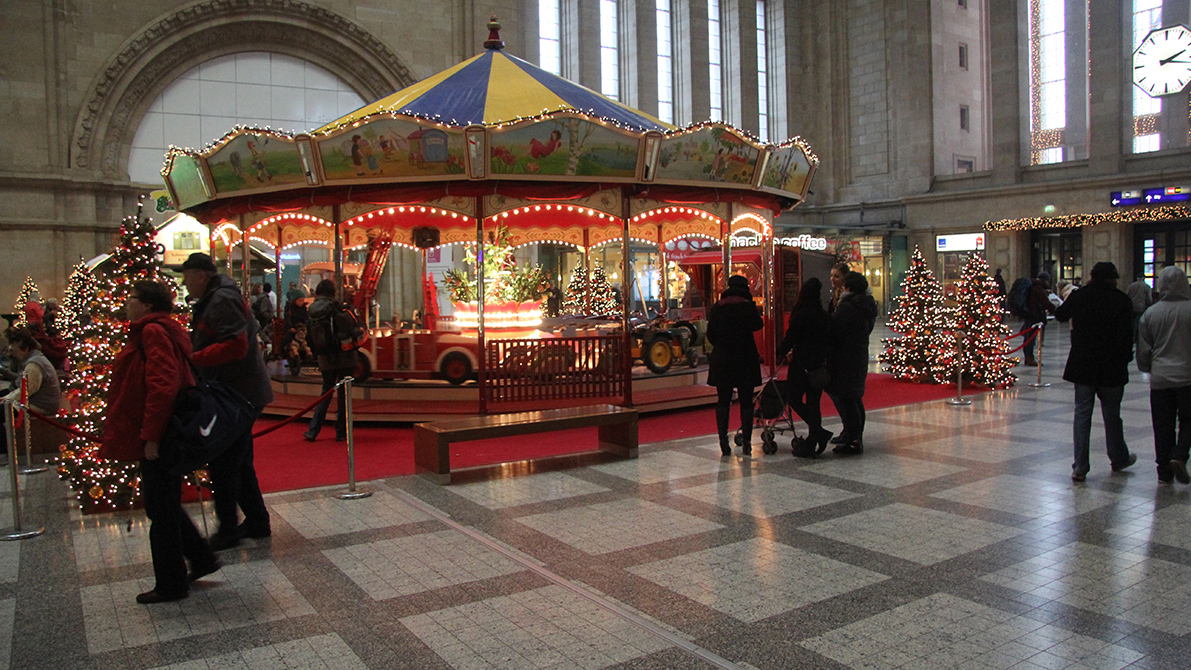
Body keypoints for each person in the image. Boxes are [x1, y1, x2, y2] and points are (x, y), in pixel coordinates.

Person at [98, 281, 220, 604]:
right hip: (165, 427)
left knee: (160, 509)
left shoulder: (152, 332)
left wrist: (151, 435)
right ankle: (201, 557)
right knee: (163, 502)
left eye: (132, 298)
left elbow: (163, 385)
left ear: (148, 305)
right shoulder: (163, 329)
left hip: (160, 430)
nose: (126, 302)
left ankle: (171, 583)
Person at [180, 253, 274, 550]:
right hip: (239, 390)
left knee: (225, 461)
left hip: (237, 393)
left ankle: (230, 528)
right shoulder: (218, 297)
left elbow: (235, 345)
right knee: (238, 460)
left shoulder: (221, 300)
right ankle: (256, 522)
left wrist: (194, 360)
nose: (184, 283)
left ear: (201, 275)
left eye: (187, 276)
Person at [1054, 261, 1136, 482]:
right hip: (1111, 367)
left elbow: (1060, 314)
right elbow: (1127, 336)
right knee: (1112, 416)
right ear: (1112, 278)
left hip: (1083, 365)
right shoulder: (1121, 300)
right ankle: (1118, 458)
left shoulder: (1080, 296)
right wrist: (1126, 359)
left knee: (1082, 415)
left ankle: (1080, 466)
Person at [1137, 266, 1191, 484]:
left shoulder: (1151, 313)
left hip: (1160, 378)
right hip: (1187, 376)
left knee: (1162, 424)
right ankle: (1179, 455)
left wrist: (1147, 368)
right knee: (1188, 420)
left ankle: (1164, 471)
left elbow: (1143, 348)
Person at [706, 274, 763, 456]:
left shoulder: (718, 307)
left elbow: (710, 334)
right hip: (746, 358)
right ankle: (747, 442)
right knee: (746, 401)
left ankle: (723, 442)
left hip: (723, 359)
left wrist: (722, 345)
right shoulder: (748, 307)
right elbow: (758, 325)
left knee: (723, 400)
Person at [777, 278, 832, 457]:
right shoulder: (822, 315)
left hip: (801, 364)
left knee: (794, 398)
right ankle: (815, 436)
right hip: (817, 364)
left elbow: (791, 337)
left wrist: (781, 351)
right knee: (814, 403)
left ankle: (818, 435)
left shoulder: (800, 314)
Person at [826, 271, 878, 455]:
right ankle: (854, 435)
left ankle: (853, 439)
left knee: (848, 398)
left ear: (847, 287)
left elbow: (835, 332)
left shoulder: (848, 307)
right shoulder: (865, 304)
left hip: (846, 357)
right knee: (854, 398)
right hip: (858, 354)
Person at [0, 328, 63, 466]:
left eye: (15, 349)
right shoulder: (31, 358)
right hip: (34, 399)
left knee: (1, 410)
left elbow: (26, 390)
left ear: (24, 347)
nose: (13, 352)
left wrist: (6, 400)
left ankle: (3, 452)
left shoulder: (34, 363)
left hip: (41, 405)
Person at [303, 280, 356, 442]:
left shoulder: (313, 311)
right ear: (334, 292)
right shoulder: (338, 307)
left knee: (325, 392)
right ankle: (341, 432)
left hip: (324, 357)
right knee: (343, 396)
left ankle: (313, 430)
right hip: (344, 357)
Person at [1019, 271, 1057, 367]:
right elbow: (1045, 302)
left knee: (1028, 337)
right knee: (1031, 338)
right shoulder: (1038, 288)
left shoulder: (1032, 286)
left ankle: (1027, 357)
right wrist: (1056, 311)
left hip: (1028, 315)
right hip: (1035, 316)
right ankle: (1030, 358)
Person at [1126, 271, 1153, 347]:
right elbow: (1149, 299)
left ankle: (1131, 338)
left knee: (1131, 323)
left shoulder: (1131, 286)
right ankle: (1137, 339)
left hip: (1132, 307)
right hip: (1141, 307)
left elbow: (1127, 296)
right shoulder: (1146, 287)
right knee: (1138, 324)